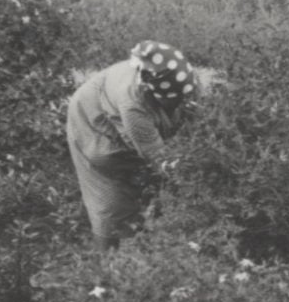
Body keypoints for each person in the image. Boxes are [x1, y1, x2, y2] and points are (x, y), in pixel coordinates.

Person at [64, 41, 202, 246]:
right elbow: (158, 158)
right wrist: (194, 187)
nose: (181, 102)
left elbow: (196, 118)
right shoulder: (133, 105)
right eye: (173, 101)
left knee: (151, 182)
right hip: (91, 120)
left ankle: (149, 228)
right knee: (109, 193)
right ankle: (104, 264)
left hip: (126, 106)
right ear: (152, 92)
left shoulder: (185, 81)